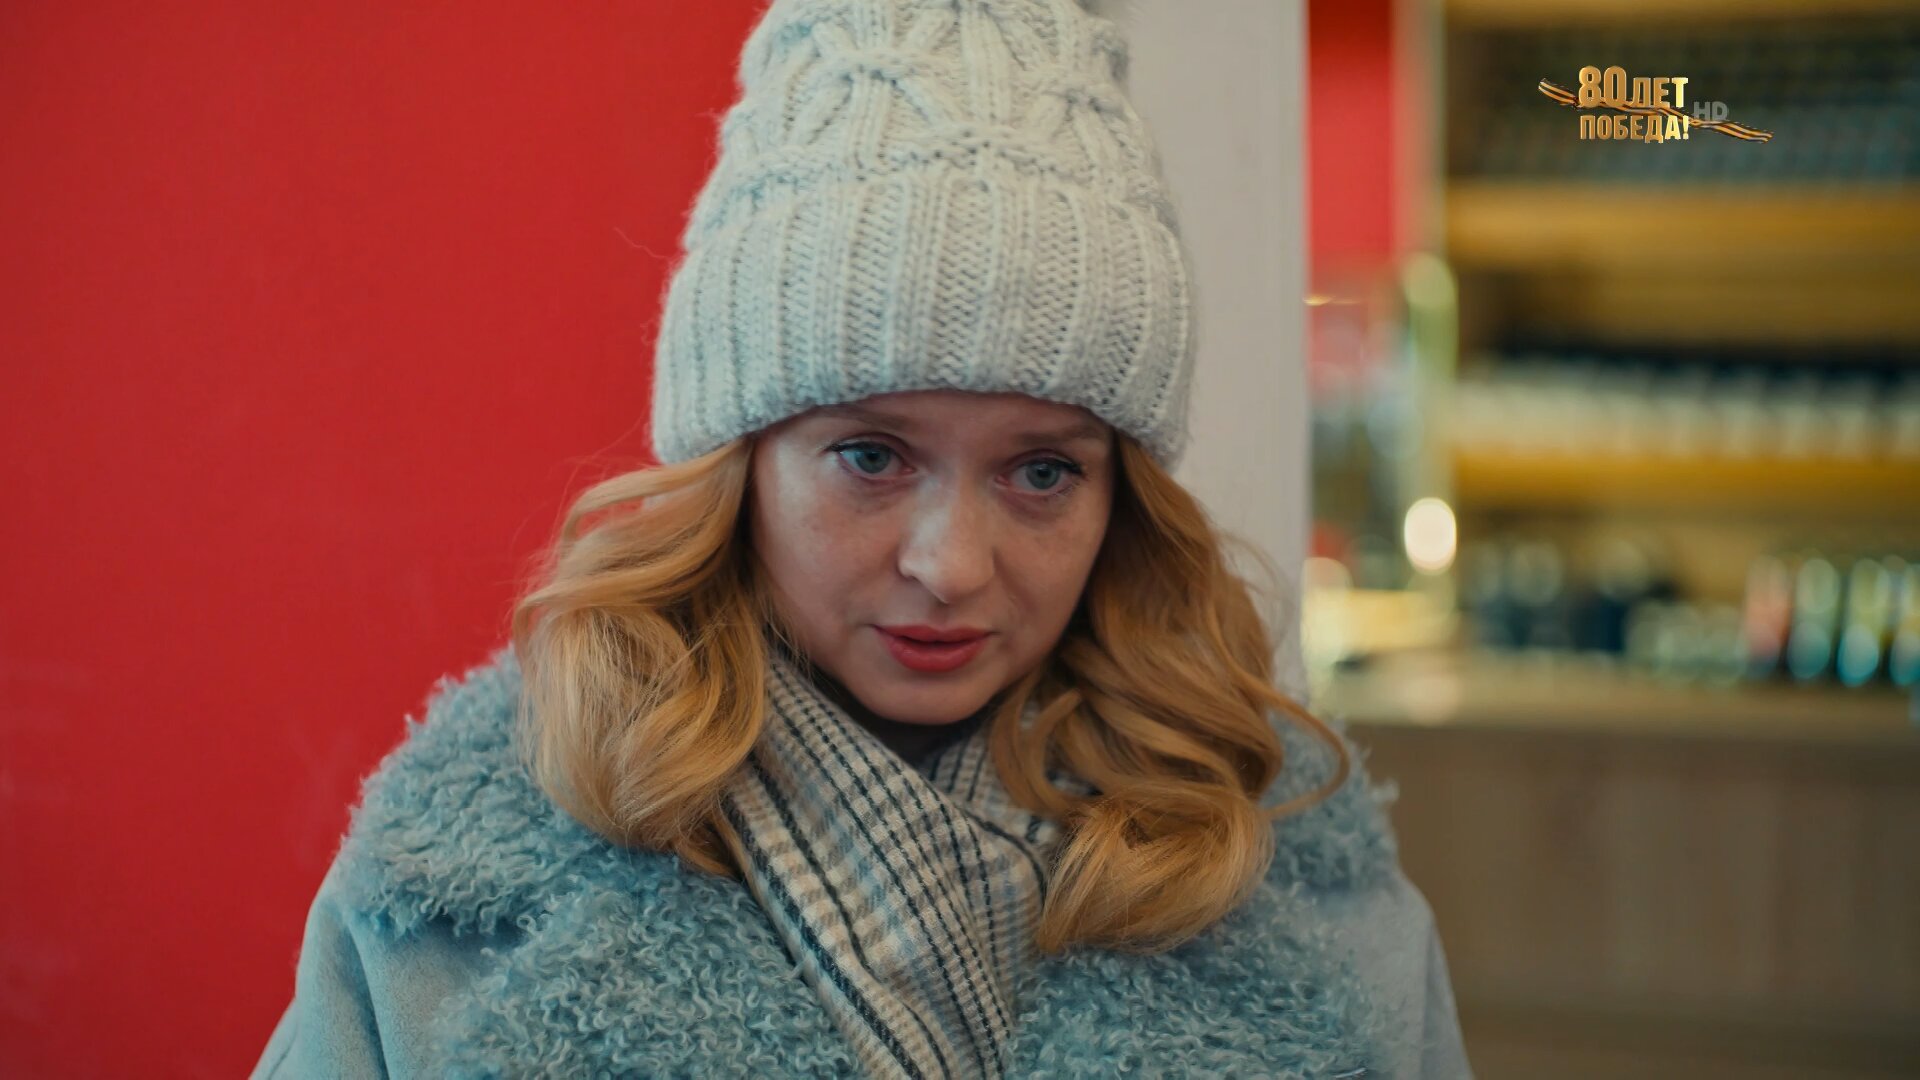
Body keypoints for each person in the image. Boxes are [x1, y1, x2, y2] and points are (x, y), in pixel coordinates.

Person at [251, 0, 1472, 1076]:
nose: (951, 565)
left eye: (1043, 472)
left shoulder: (1309, 892)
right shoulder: (447, 903)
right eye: (872, 458)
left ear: (1122, 498)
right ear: (741, 464)